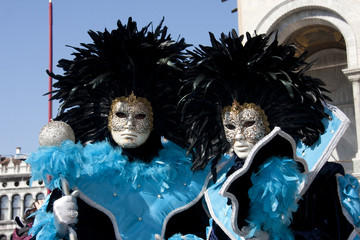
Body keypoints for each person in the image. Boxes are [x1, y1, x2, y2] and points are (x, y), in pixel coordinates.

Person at [26, 18, 212, 240]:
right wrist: (58, 227)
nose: (130, 125)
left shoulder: (187, 175)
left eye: (140, 116)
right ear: (106, 117)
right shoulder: (81, 175)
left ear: (156, 119)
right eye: (121, 115)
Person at [175, 31, 360, 239]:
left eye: (248, 123)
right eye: (230, 126)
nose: (239, 136)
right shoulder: (217, 184)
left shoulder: (317, 176)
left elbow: (335, 233)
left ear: (270, 122)